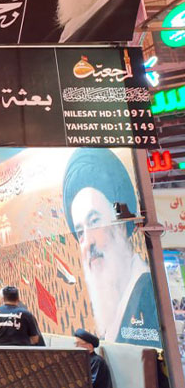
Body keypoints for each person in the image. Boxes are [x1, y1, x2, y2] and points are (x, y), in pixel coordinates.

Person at [63, 148, 160, 346]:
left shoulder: (146, 293)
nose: (88, 241)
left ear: (121, 225)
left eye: (95, 222)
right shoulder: (117, 304)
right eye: (80, 232)